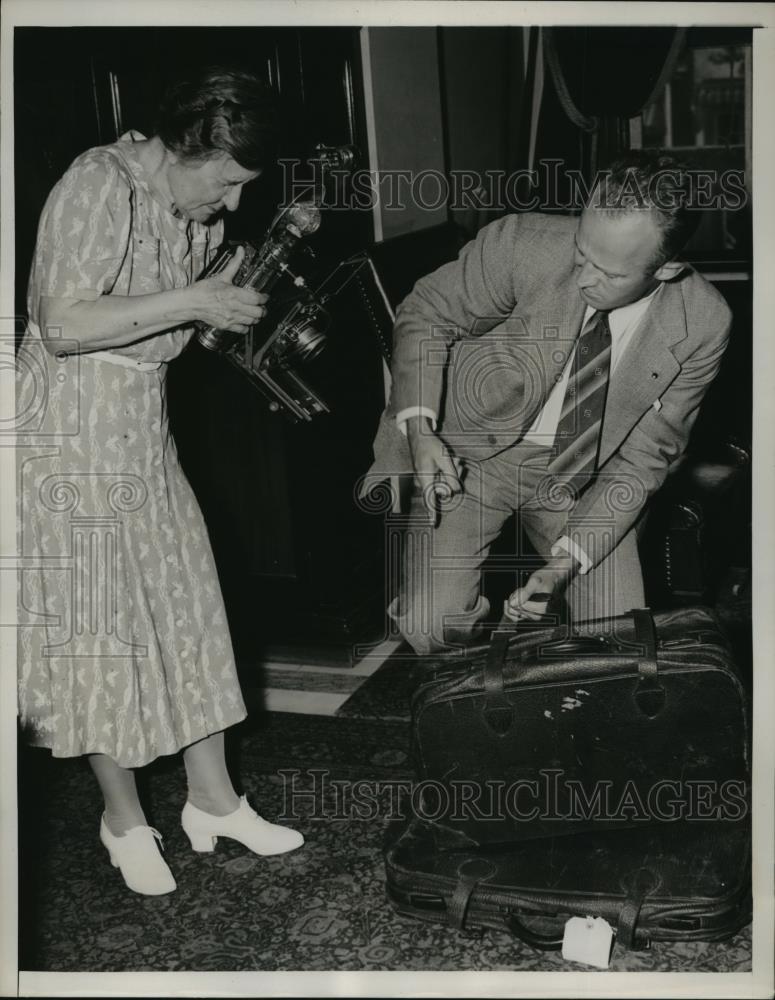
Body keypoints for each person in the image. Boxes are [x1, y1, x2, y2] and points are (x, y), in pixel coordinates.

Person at [17, 67, 303, 896]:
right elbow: (61, 324)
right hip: (69, 431)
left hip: (142, 426)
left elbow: (177, 322)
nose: (235, 201)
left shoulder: (192, 205)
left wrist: (233, 307)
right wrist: (196, 301)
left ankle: (213, 801)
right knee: (108, 628)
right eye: (230, 179)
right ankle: (123, 820)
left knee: (186, 604)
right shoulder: (94, 183)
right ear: (190, 146)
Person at [364, 152, 732, 654]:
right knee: (432, 624)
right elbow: (426, 312)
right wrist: (421, 432)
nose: (583, 279)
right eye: (582, 253)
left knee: (618, 641)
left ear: (666, 269)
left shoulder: (703, 324)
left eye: (609, 274)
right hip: (469, 457)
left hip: (586, 477)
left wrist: (562, 566)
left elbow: (645, 459)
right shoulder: (523, 243)